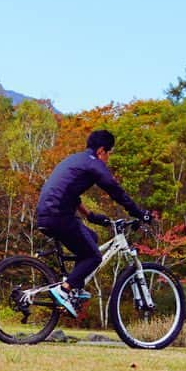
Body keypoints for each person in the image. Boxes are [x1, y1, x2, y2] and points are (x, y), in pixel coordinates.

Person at [35, 129, 154, 317]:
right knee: (94, 257)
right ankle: (64, 290)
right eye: (109, 153)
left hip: (47, 214)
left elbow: (69, 193)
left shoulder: (75, 160)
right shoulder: (93, 164)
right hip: (59, 215)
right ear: (101, 151)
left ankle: (74, 286)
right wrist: (138, 212)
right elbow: (115, 190)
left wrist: (90, 215)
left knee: (91, 238)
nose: (108, 159)